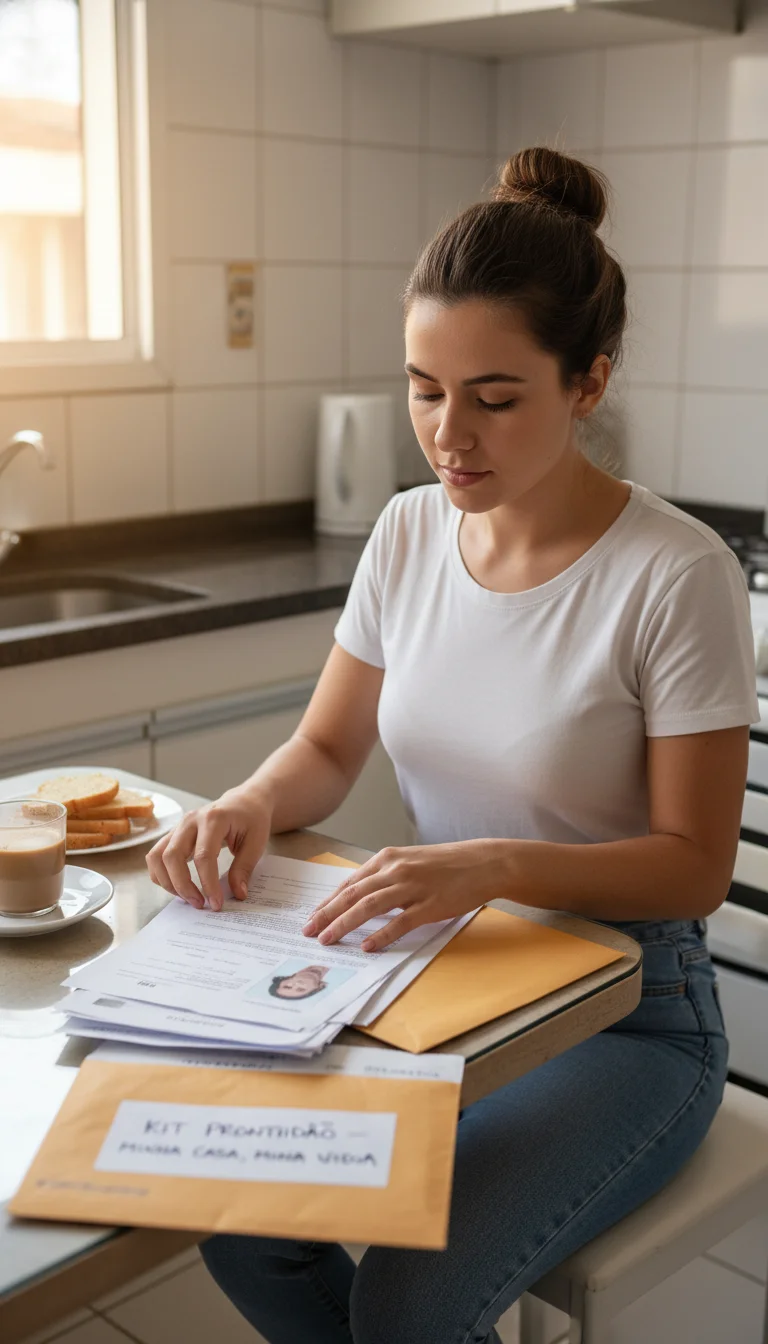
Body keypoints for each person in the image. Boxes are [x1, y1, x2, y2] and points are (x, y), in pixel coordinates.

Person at [147, 147, 759, 1344]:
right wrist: (251, 802)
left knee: (414, 1303)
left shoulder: (674, 573)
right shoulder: (410, 530)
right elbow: (327, 748)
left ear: (588, 382)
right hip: (450, 983)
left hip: (632, 1010)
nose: (447, 434)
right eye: (424, 388)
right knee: (238, 1222)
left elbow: (692, 865)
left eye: (495, 396)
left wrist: (489, 864)